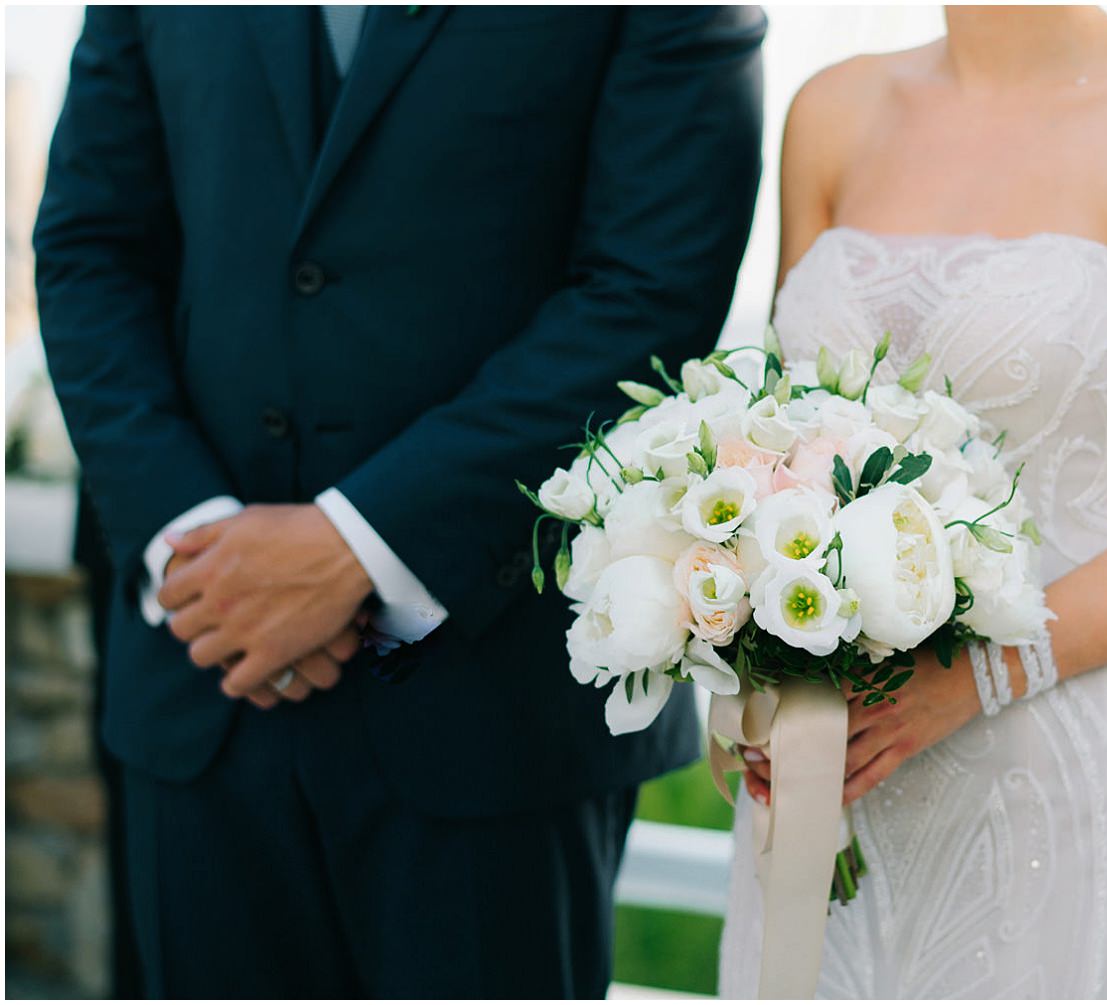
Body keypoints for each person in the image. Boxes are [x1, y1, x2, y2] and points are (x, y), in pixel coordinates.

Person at [34, 6, 764, 997]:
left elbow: (648, 288)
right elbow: (90, 248)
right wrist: (195, 549)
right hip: (204, 685)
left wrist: (356, 548)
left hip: (493, 701)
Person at [724, 6, 1107, 997]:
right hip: (835, 778)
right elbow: (790, 442)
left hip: (1068, 779)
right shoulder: (831, 111)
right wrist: (756, 674)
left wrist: (986, 674)